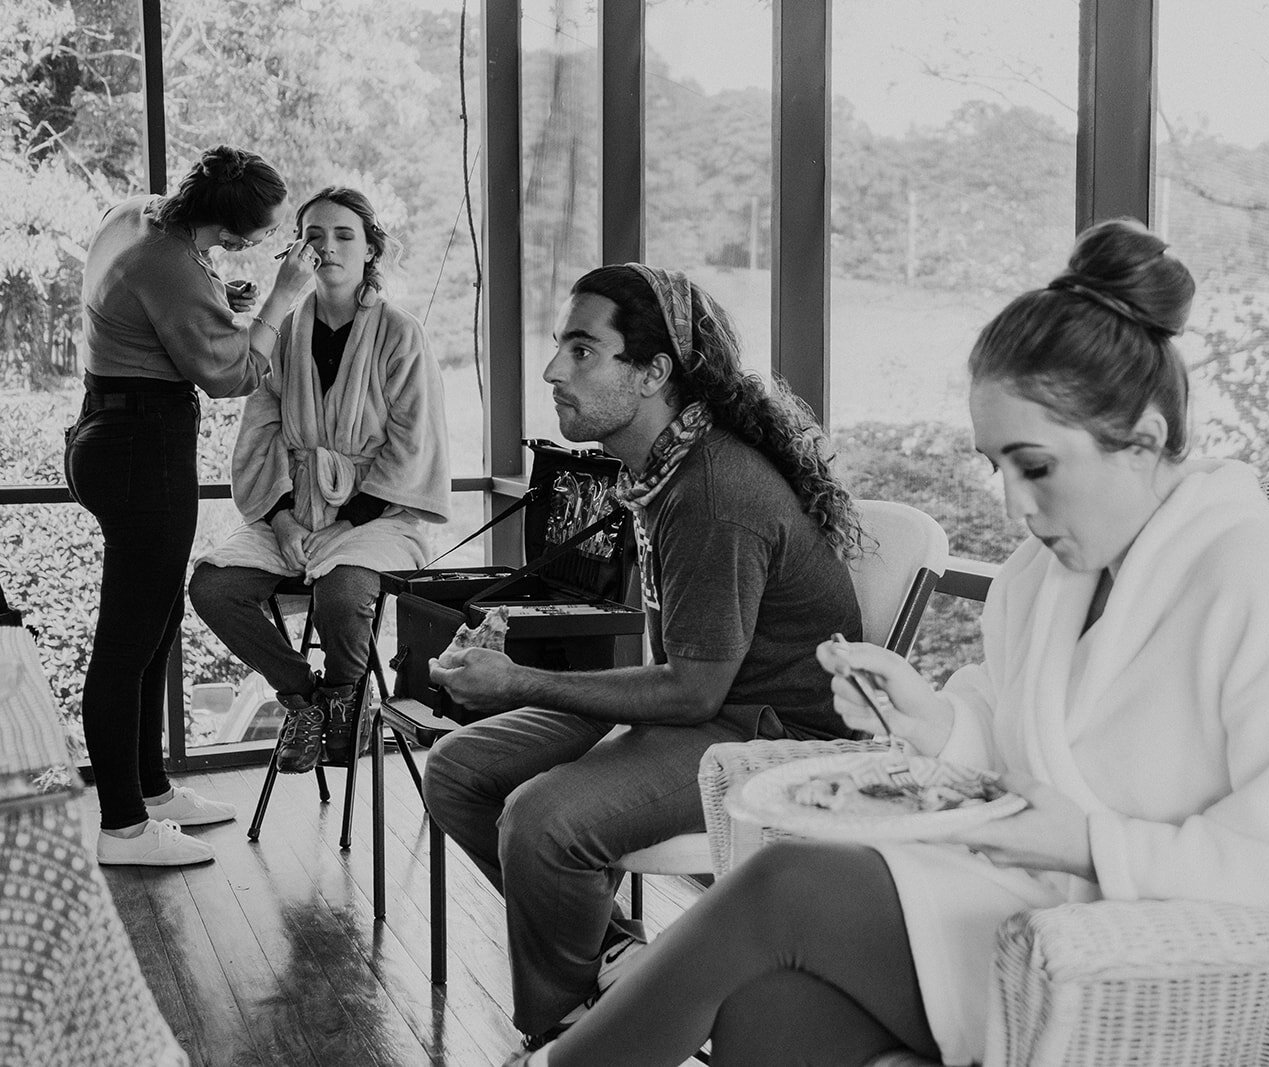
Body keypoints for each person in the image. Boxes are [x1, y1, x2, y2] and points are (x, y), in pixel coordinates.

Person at [521, 220, 1269, 1067]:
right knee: (770, 1007)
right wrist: (935, 718)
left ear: (1144, 441)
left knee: (786, 888)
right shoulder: (1042, 575)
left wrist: (1099, 845)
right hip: (1021, 919)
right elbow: (1004, 727)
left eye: (1037, 466)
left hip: (1155, 974)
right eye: (995, 466)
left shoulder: (1256, 581)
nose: (1013, 505)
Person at [422, 263, 866, 1048]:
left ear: (654, 372)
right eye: (561, 346)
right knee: (458, 767)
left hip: (775, 737)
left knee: (541, 819)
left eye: (583, 351)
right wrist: (515, 674)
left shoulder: (712, 493)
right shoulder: (658, 473)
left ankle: (577, 1035)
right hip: (712, 707)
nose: (555, 369)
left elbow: (693, 691)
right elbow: (687, 673)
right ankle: (615, 964)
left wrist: (519, 679)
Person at [66, 145, 320, 868]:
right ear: (234, 232)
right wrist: (278, 299)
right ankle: (121, 826)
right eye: (266, 233)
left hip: (106, 432)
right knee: (127, 640)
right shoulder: (170, 264)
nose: (272, 245)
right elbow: (233, 374)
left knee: (158, 619)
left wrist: (220, 303)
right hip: (143, 449)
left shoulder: (142, 216)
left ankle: (150, 789)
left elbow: (156, 309)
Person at [190, 186, 451, 775]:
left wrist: (346, 527)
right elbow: (259, 434)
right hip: (295, 510)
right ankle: (308, 700)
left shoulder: (400, 334)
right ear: (297, 251)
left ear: (370, 251)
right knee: (212, 586)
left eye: (343, 235)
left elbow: (413, 446)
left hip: (382, 517)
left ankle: (345, 701)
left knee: (340, 592)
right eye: (313, 235)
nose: (326, 246)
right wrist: (282, 519)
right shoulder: (282, 333)